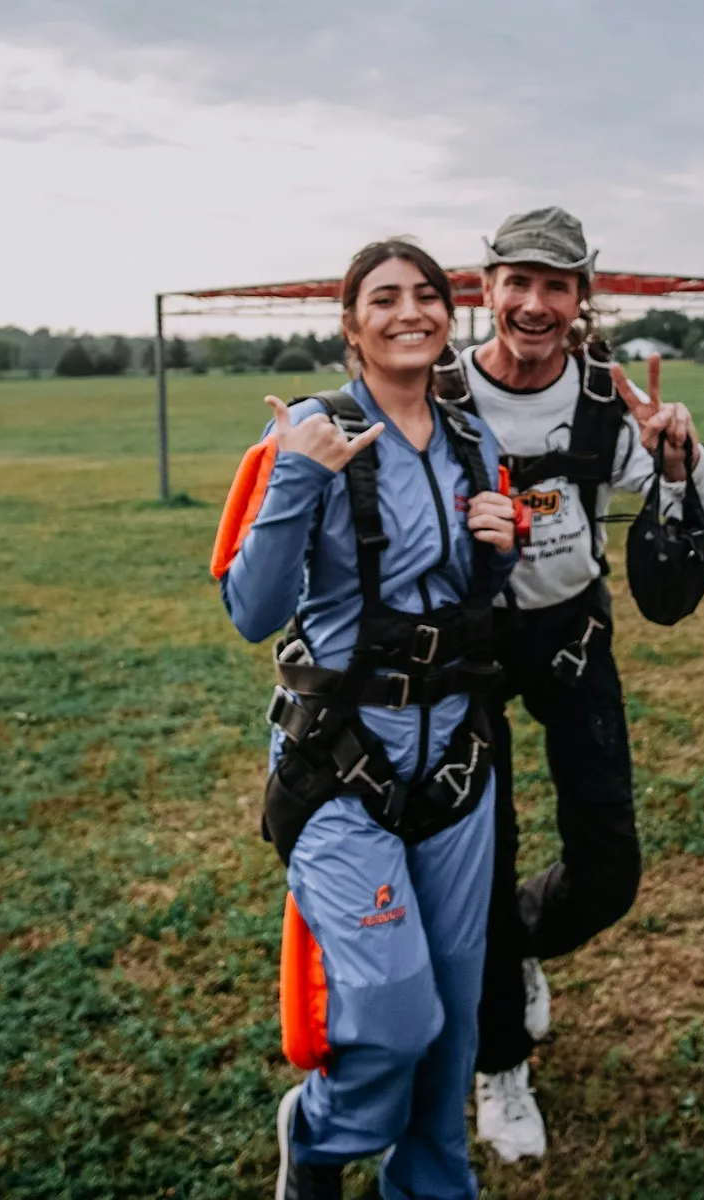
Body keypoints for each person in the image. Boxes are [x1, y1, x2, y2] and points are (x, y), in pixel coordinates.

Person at [432, 207, 704, 1162]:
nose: (533, 305)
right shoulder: (436, 393)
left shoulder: (612, 404)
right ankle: (501, 1066)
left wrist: (680, 461)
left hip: (573, 643)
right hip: (465, 659)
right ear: (484, 288)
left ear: (581, 299)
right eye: (516, 282)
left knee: (609, 870)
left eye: (556, 286)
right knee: (478, 872)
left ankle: (525, 941)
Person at [211, 240, 519, 1200]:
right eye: (383, 299)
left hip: (458, 765)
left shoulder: (475, 444)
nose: (409, 312)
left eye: (427, 295)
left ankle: (431, 1185)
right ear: (352, 326)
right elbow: (252, 612)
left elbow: (467, 603)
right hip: (340, 763)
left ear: (448, 316)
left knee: (454, 1020)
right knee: (393, 1015)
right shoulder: (307, 430)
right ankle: (318, 1139)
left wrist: (498, 553)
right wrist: (297, 476)